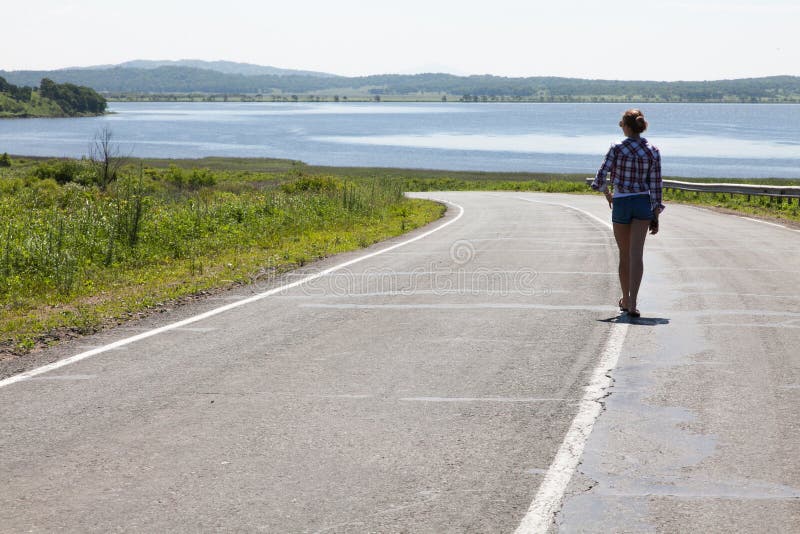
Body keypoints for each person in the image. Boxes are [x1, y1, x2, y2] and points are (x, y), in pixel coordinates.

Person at [591, 109, 664, 318]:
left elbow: (600, 176)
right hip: (642, 202)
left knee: (624, 254)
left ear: (627, 126)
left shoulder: (616, 148)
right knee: (636, 254)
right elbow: (656, 185)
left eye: (621, 123)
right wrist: (655, 214)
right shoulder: (652, 150)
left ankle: (624, 298)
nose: (620, 125)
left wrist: (607, 194)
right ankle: (632, 303)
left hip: (621, 201)